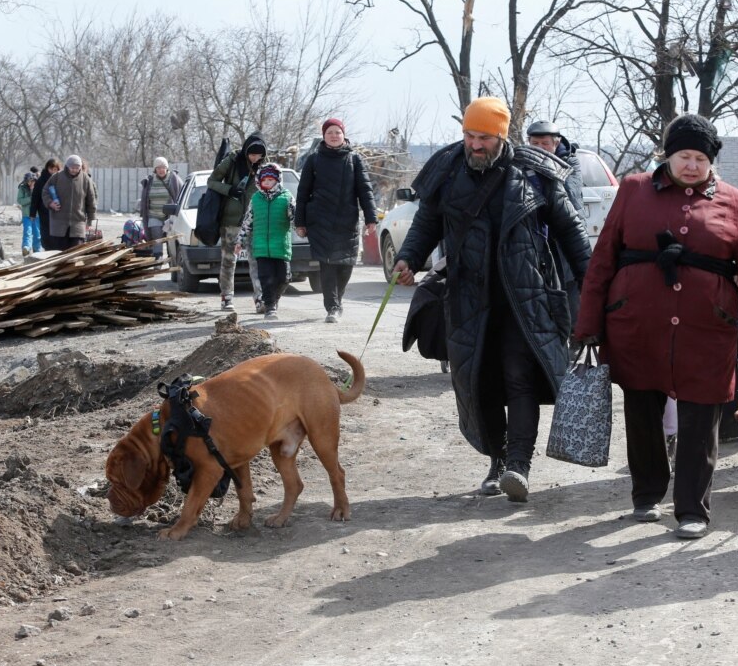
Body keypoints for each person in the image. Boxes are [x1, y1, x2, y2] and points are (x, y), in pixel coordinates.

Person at [574, 114, 738, 539]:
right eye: (683, 156)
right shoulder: (633, 191)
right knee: (642, 411)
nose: (691, 165)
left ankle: (692, 508)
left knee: (700, 420)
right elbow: (602, 261)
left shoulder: (734, 201)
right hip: (637, 324)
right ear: (667, 155)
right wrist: (588, 324)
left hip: (707, 327)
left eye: (700, 158)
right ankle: (648, 492)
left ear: (712, 162)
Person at [392, 97, 591, 502]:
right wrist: (408, 257)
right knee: (478, 383)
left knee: (520, 378)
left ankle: (519, 465)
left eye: (484, 137)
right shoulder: (448, 172)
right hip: (467, 298)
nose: (475, 144)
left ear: (501, 136)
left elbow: (573, 234)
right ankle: (497, 463)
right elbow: (426, 222)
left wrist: (594, 286)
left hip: (525, 298)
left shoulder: (534, 173)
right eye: (469, 135)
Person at [295, 118, 378, 323]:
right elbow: (302, 193)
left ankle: (337, 300)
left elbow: (365, 191)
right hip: (320, 221)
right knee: (327, 264)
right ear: (324, 136)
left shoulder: (354, 159)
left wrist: (371, 218)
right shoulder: (314, 160)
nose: (334, 135)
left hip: (347, 220)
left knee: (346, 264)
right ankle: (332, 306)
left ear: (344, 135)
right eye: (330, 132)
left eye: (337, 132)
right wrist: (300, 222)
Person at [525, 120, 589, 332]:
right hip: (537, 239)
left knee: (568, 291)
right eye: (535, 144)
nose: (540, 149)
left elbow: (568, 198)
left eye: (545, 143)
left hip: (565, 237)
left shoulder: (570, 163)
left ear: (556, 143)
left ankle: (573, 336)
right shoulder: (523, 164)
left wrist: (544, 173)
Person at [208, 131, 267, 311]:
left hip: (256, 221)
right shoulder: (232, 161)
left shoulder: (266, 167)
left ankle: (260, 298)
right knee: (228, 260)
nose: (255, 158)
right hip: (231, 220)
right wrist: (230, 190)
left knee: (256, 260)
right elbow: (212, 181)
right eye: (252, 154)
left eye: (259, 155)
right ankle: (226, 297)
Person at [234, 163, 295, 320]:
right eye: (264, 180)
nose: (267, 183)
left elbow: (295, 219)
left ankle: (274, 299)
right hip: (261, 247)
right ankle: (270, 307)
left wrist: (301, 229)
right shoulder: (255, 199)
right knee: (266, 279)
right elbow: (247, 222)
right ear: (259, 181)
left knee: (284, 278)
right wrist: (239, 241)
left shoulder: (287, 197)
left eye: (271, 180)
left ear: (277, 180)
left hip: (281, 247)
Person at [43, 155, 96, 250]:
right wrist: (50, 203)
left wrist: (90, 221)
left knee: (75, 255)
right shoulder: (57, 177)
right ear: (67, 166)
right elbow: (45, 192)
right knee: (59, 255)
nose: (74, 170)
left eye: (77, 167)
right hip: (59, 224)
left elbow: (91, 200)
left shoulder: (86, 179)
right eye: (72, 167)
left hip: (78, 225)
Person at [139, 157, 184, 259]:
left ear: (167, 168)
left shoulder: (174, 179)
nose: (161, 170)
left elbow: (182, 195)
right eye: (158, 168)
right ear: (155, 169)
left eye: (163, 167)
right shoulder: (150, 181)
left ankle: (171, 259)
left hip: (170, 216)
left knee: (170, 238)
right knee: (157, 237)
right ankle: (158, 259)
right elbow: (144, 198)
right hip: (154, 214)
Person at [32, 159, 60, 250]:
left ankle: (56, 249)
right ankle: (48, 248)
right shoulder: (41, 180)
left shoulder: (61, 179)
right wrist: (32, 213)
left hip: (58, 210)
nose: (53, 171)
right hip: (44, 210)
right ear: (47, 168)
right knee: (46, 231)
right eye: (51, 169)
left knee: (57, 232)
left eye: (55, 169)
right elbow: (35, 197)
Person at [17, 172, 42, 256]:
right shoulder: (22, 188)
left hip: (37, 215)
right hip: (26, 215)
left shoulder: (39, 187)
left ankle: (37, 250)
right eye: (29, 181)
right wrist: (30, 198)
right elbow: (20, 201)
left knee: (37, 233)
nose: (31, 183)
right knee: (27, 232)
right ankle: (26, 248)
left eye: (32, 181)